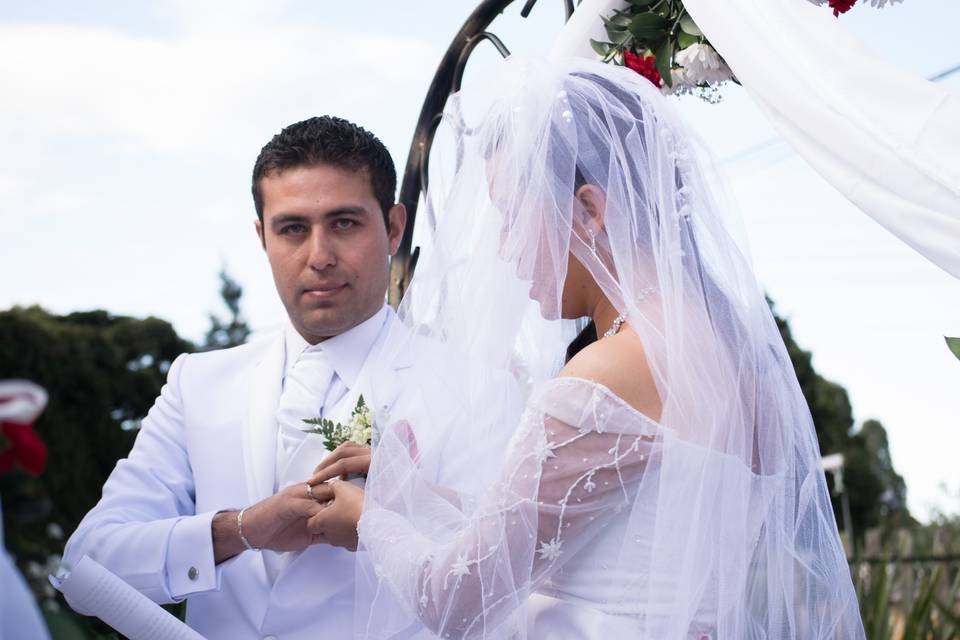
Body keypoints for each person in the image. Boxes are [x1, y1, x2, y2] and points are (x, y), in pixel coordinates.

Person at [306, 56, 866, 639]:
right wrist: (408, 493)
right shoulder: (734, 354)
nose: (505, 248)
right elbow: (583, 528)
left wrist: (369, 523)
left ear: (591, 210)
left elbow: (458, 599)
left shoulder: (604, 379)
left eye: (513, 216)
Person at [61, 116, 439, 639]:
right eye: (292, 229)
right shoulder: (197, 384)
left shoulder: (471, 386)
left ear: (393, 228)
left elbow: (506, 580)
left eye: (345, 223)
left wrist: (393, 521)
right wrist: (238, 529)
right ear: (262, 236)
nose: (319, 257)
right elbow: (88, 562)